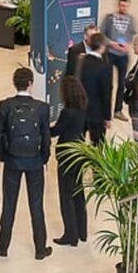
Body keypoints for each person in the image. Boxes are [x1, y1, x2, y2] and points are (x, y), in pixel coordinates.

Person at [0, 68, 52, 260]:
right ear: (30, 83)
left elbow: (0, 135)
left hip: (12, 161)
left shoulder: (5, 105)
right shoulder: (42, 108)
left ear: (14, 83)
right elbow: (46, 139)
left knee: (8, 204)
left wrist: (3, 157)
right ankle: (40, 249)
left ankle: (3, 246)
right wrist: (43, 158)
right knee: (36, 206)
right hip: (35, 162)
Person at [51, 76, 89, 247]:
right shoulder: (83, 109)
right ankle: (82, 231)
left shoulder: (67, 112)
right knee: (78, 194)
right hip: (80, 154)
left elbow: (56, 131)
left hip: (66, 156)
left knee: (66, 195)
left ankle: (70, 235)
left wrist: (43, 127)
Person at [101, 0, 138, 121]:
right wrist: (111, 43)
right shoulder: (109, 18)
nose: (123, 7)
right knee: (108, 83)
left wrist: (128, 45)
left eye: (125, 6)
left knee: (121, 83)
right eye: (121, 5)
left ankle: (118, 109)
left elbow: (132, 35)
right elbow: (101, 35)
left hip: (123, 56)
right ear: (118, 5)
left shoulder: (131, 20)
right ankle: (105, 110)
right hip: (110, 54)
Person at [78, 32, 113, 145]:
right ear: (102, 46)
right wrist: (107, 117)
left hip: (80, 109)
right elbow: (106, 93)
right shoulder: (105, 67)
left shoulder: (81, 60)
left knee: (78, 144)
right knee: (98, 145)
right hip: (97, 113)